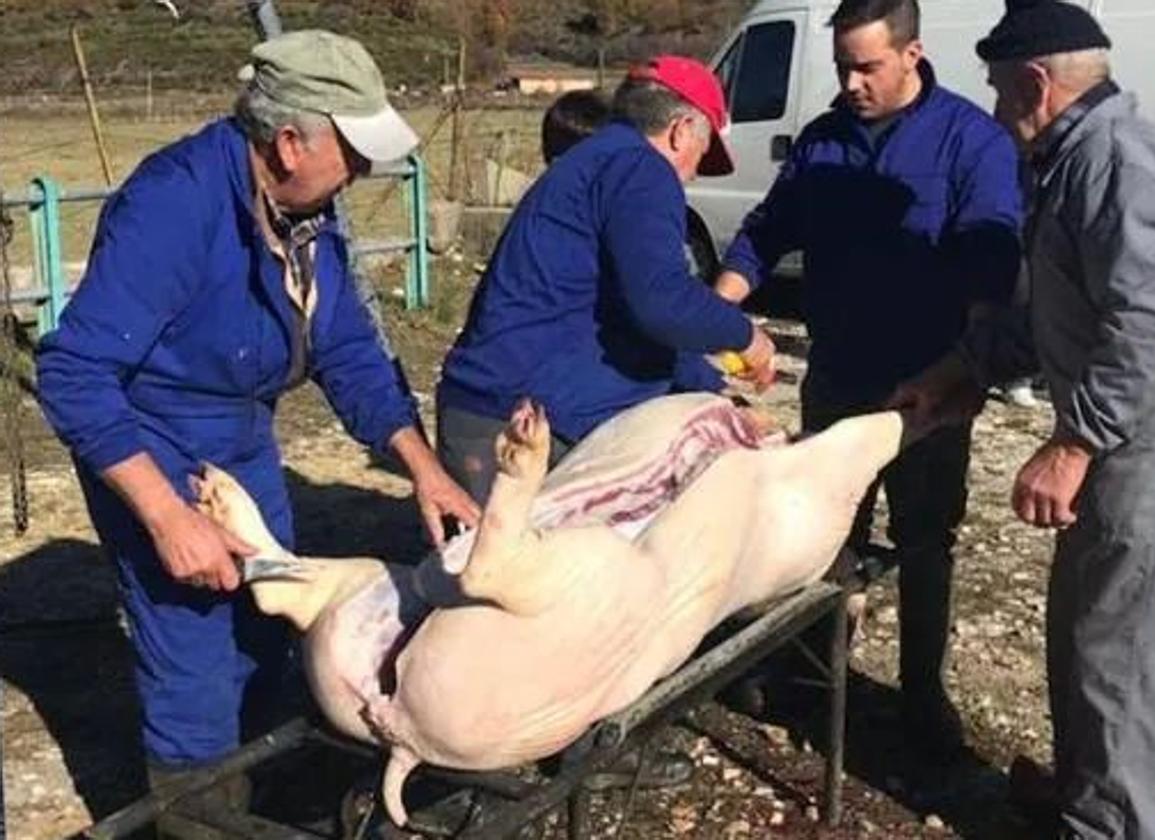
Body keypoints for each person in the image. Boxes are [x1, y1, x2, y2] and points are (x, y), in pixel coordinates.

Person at [35, 30, 479, 796]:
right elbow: (74, 373)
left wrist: (424, 469)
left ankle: (265, 792)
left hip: (240, 436)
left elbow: (347, 350)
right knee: (196, 650)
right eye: (354, 148)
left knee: (270, 622)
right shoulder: (173, 206)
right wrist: (167, 516)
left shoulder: (309, 212)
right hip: (154, 440)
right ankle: (199, 810)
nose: (368, 169)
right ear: (288, 143)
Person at [891, 3, 1155, 836]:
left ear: (1036, 83)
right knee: (1082, 621)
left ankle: (1119, 823)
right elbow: (1059, 312)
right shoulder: (1067, 161)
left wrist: (1074, 441)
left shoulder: (1115, 164)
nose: (993, 113)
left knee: (1126, 651)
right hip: (1125, 425)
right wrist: (963, 371)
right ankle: (1080, 792)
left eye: (998, 92)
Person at [711, 0, 1023, 770]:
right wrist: (715, 308)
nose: (851, 82)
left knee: (925, 539)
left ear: (912, 54)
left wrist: (973, 364)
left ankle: (922, 695)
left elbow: (992, 257)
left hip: (928, 384)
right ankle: (809, 676)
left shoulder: (968, 140)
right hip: (839, 373)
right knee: (821, 535)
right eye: (844, 65)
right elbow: (767, 229)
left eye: (868, 66)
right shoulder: (824, 142)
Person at [436, 55, 775, 505]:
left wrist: (710, 389)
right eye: (702, 151)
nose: (693, 174)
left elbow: (631, 316)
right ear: (680, 132)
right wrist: (748, 337)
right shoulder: (642, 170)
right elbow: (663, 300)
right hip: (518, 427)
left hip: (485, 411)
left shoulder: (595, 162)